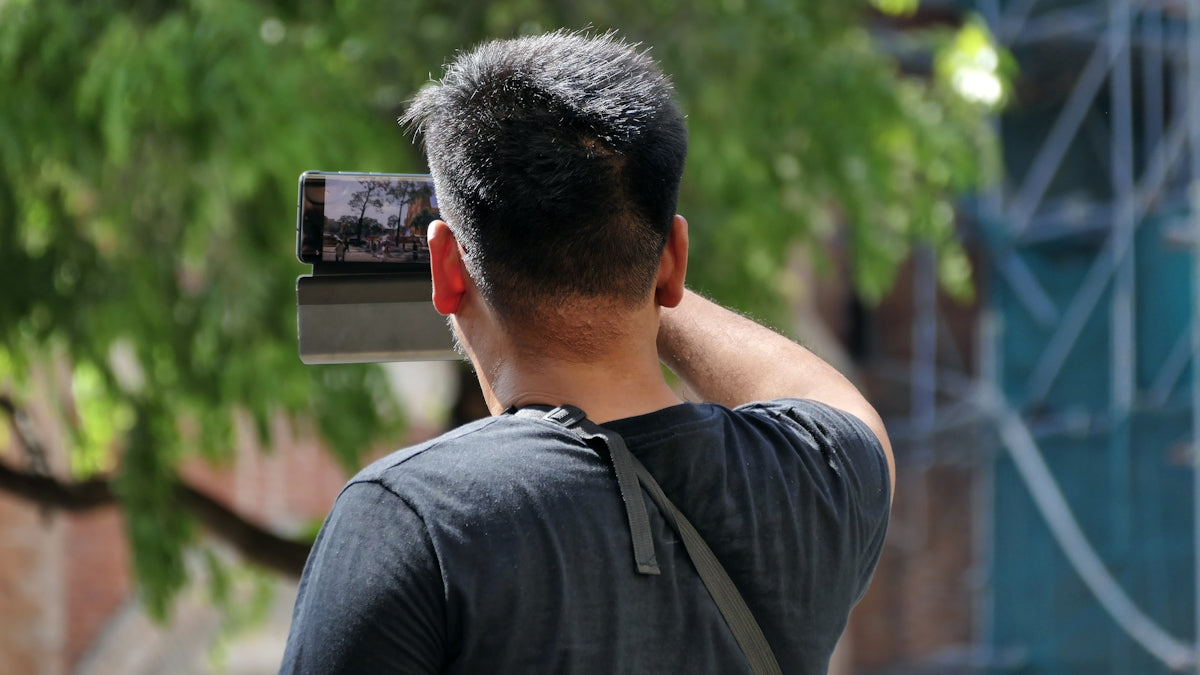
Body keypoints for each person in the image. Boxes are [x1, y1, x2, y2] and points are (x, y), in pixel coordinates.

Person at [281, 29, 893, 675]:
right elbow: (822, 392)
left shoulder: (409, 519)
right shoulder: (820, 482)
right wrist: (635, 262)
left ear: (445, 268)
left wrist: (488, 242)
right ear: (675, 260)